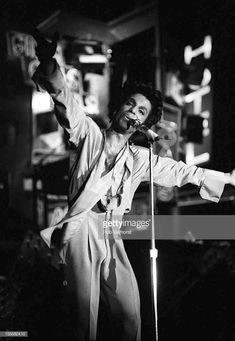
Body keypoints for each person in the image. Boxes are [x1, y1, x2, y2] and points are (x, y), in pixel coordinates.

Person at [32, 32, 235, 341]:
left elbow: (183, 171)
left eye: (141, 112)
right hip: (83, 228)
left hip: (113, 231)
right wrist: (49, 60)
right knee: (84, 317)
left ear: (145, 124)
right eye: (130, 105)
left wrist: (231, 181)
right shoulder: (90, 135)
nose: (133, 113)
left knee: (130, 313)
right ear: (119, 109)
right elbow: (65, 100)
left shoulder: (141, 158)